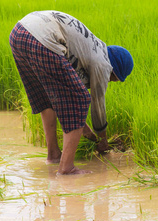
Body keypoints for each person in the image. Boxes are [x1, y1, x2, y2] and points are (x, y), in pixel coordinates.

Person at [9, 11, 134, 175]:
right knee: (81, 99)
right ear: (114, 72)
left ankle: (53, 155)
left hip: (19, 33)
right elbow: (97, 106)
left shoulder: (90, 51)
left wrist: (87, 131)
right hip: (41, 38)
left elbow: (63, 96)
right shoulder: (103, 64)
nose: (109, 81)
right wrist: (103, 140)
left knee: (48, 98)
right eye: (113, 79)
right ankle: (66, 168)